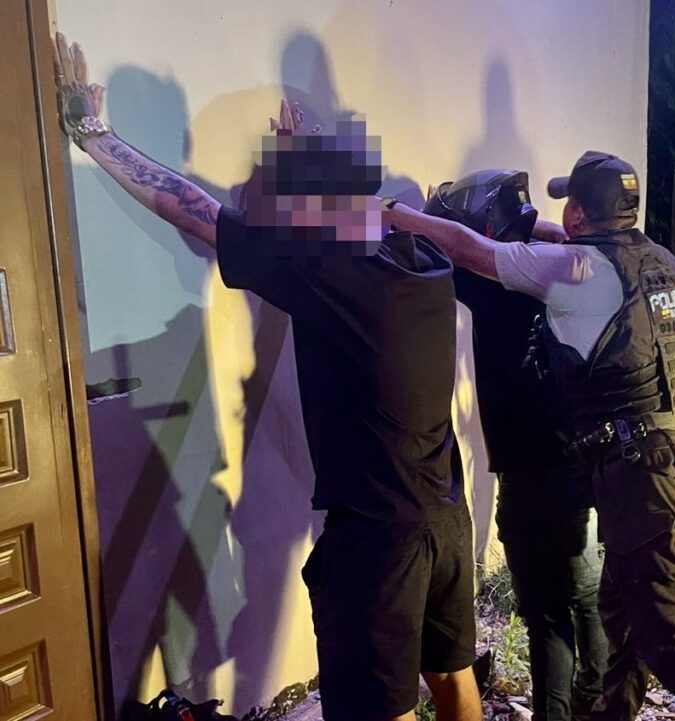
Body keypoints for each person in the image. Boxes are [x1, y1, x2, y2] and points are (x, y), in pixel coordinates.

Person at [54, 34, 481, 721]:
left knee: (383, 707)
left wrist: (93, 134)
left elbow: (190, 208)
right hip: (445, 520)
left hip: (378, 543)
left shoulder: (324, 266)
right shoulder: (418, 256)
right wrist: (306, 158)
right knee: (454, 679)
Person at [384, 151, 675, 721]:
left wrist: (397, 213)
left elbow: (473, 252)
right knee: (619, 612)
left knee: (670, 635)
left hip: (642, 470)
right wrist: (519, 224)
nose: (560, 216)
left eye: (569, 205)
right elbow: (557, 241)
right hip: (656, 459)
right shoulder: (656, 259)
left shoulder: (578, 270)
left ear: (579, 212)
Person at [423, 170, 609, 721]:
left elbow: (451, 249)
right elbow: (542, 235)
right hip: (580, 459)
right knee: (585, 592)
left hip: (532, 473)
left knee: (546, 612)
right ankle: (598, 696)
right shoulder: (574, 267)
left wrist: (419, 214)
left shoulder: (492, 280)